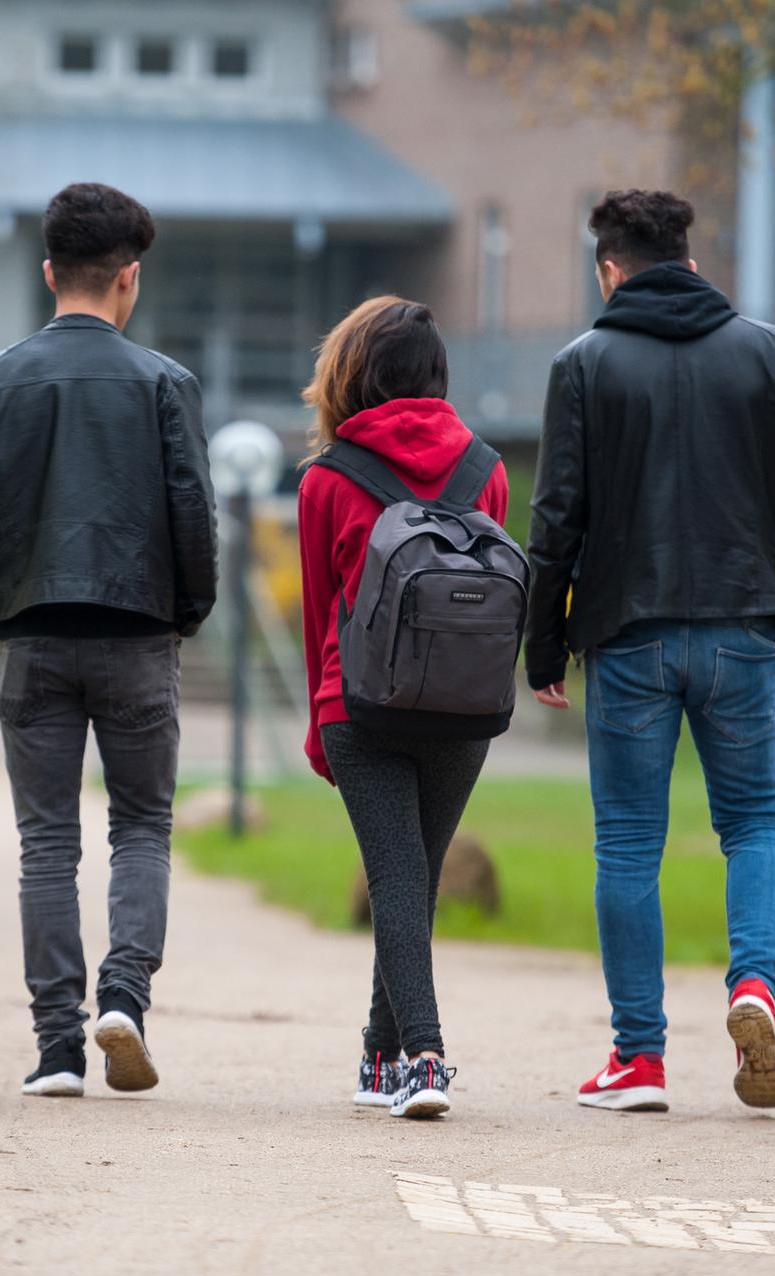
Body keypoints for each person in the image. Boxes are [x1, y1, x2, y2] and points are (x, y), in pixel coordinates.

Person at [525, 189, 775, 1113]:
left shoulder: (582, 363)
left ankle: (639, 1061)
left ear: (609, 270)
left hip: (627, 637)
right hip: (744, 630)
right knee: (753, 823)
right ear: (693, 263)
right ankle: (755, 989)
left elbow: (557, 523)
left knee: (628, 842)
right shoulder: (768, 351)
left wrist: (543, 645)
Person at [0, 183, 217, 1098]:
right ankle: (124, 998)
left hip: (34, 635)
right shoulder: (166, 385)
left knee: (46, 843)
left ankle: (57, 1047)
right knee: (142, 826)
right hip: (138, 634)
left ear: (49, 272)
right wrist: (188, 612)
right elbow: (193, 516)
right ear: (128, 278)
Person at [298, 296, 509, 1119]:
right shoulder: (484, 468)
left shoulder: (327, 479)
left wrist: (322, 730)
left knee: (397, 877)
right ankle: (377, 1057)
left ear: (352, 374)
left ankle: (422, 1055)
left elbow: (322, 616)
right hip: (464, 707)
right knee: (408, 878)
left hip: (363, 706)